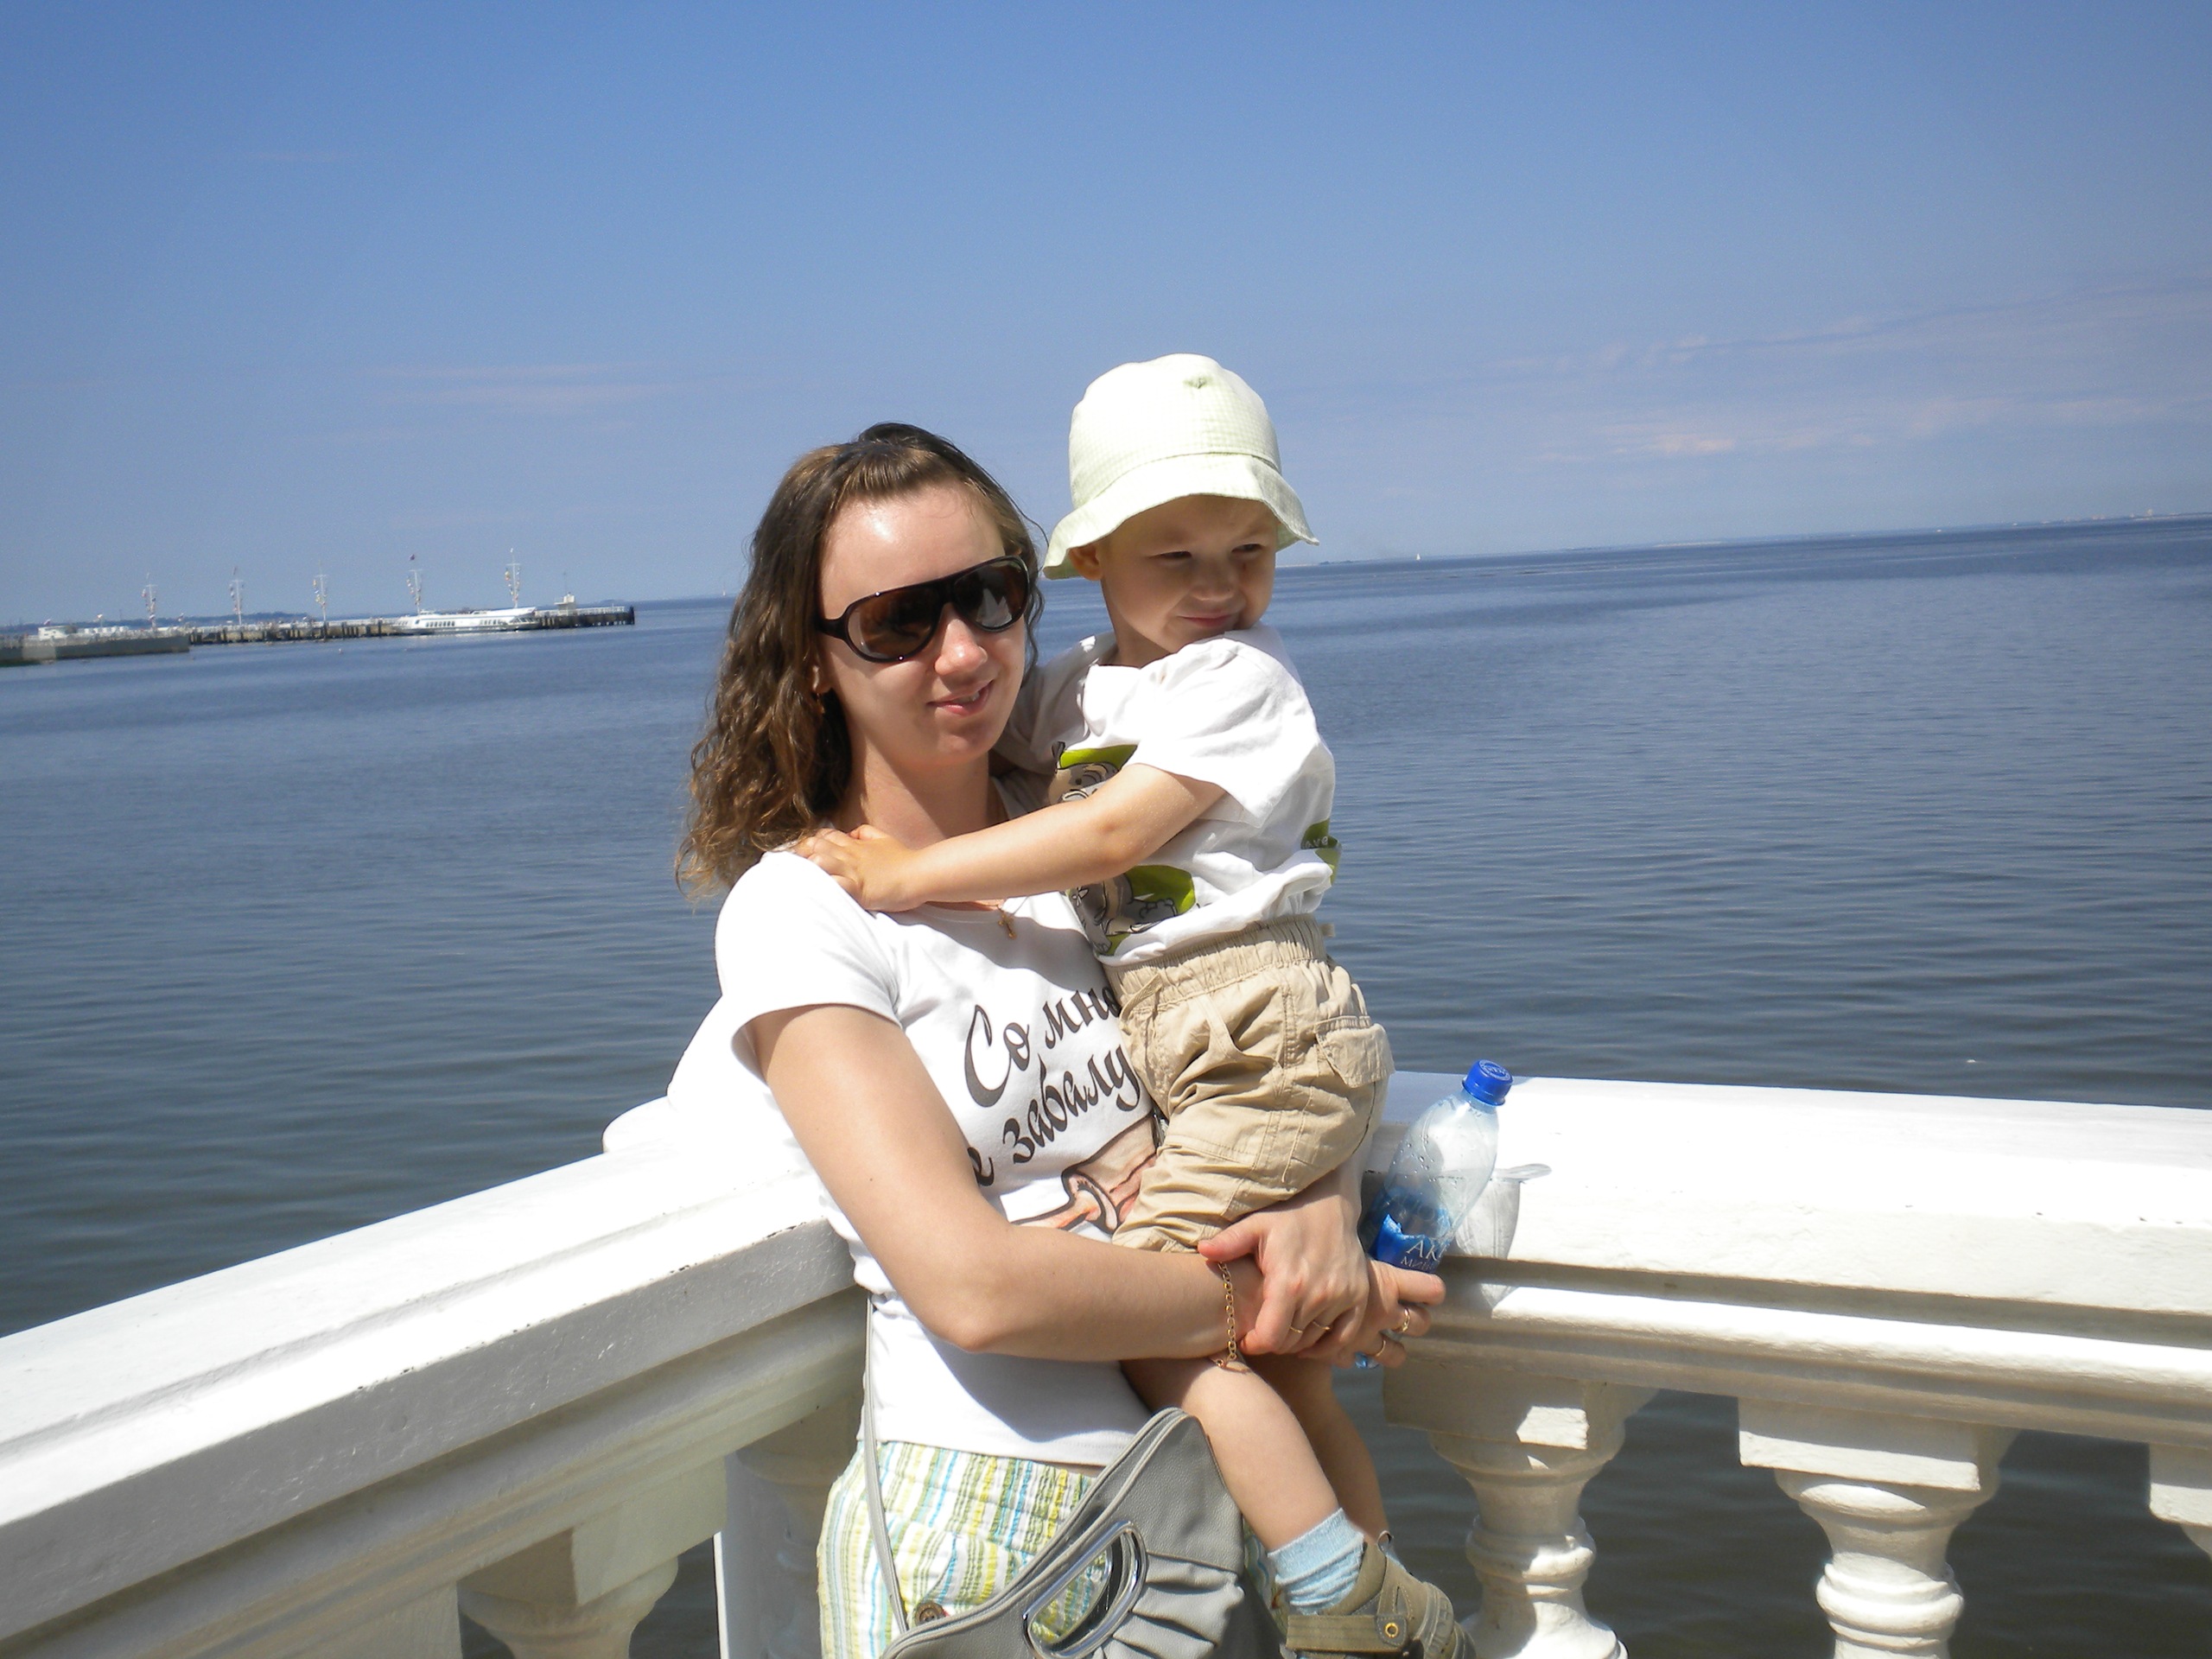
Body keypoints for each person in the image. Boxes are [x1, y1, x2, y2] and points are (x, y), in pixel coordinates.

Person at [664, 423, 1448, 1659]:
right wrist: (1266, 1300)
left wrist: (1320, 1204)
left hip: (1200, 1516)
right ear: (811, 660)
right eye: (896, 622)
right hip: (994, 1546)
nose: (962, 651)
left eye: (988, 595)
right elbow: (973, 1289)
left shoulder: (1092, 850)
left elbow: (1266, 1036)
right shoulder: (804, 911)